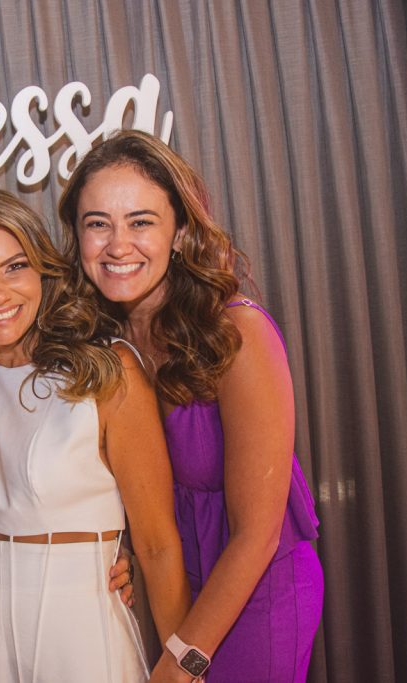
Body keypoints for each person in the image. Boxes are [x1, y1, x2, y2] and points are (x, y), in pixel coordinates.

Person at [58, 129, 324, 682]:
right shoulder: (102, 348)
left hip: (257, 591)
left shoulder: (237, 332)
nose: (117, 245)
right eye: (97, 224)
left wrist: (182, 660)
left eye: (141, 222)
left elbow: (258, 534)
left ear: (179, 231)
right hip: (173, 590)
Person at [0, 189, 191, 682]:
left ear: (44, 272)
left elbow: (157, 544)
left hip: (79, 634)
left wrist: (182, 668)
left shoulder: (109, 372)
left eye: (14, 266)